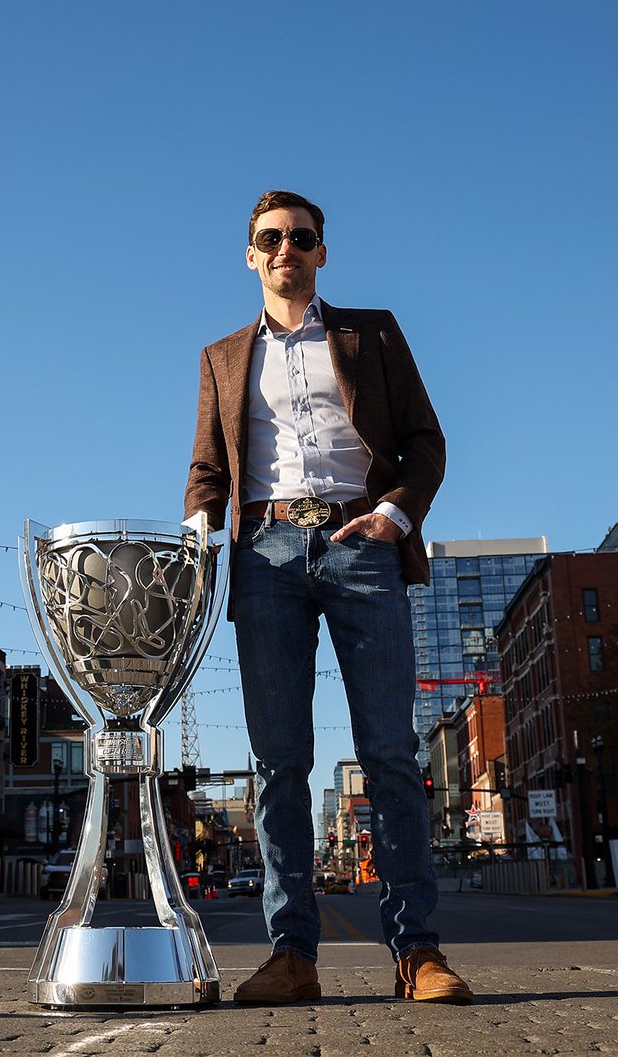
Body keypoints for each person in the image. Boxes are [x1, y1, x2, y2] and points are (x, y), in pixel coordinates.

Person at [184, 189, 472, 1007]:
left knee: (388, 751)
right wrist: (196, 544)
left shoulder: (371, 332)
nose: (286, 249)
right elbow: (209, 472)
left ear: (321, 252)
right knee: (279, 761)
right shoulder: (221, 356)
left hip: (361, 546)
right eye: (271, 239)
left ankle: (418, 952)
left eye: (302, 238)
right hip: (264, 555)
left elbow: (425, 440)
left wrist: (392, 514)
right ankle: (292, 956)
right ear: (251, 254)